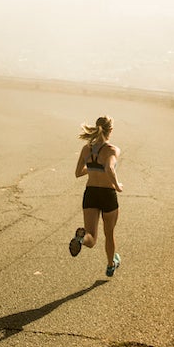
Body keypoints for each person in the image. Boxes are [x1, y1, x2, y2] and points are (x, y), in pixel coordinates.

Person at [69, 115, 123, 276]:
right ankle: (110, 264)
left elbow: (78, 173)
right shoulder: (112, 149)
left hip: (91, 193)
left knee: (91, 237)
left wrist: (92, 168)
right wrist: (117, 186)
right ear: (110, 130)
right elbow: (109, 168)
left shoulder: (87, 149)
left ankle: (81, 239)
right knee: (109, 233)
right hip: (107, 194)